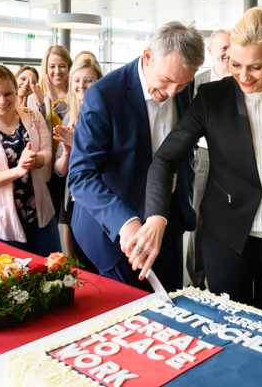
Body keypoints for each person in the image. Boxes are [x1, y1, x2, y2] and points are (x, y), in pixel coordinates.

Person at [132, 7, 262, 317]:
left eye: (256, 67)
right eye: (235, 64)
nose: (244, 77)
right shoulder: (211, 97)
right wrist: (156, 215)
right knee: (228, 322)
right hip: (225, 231)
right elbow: (166, 158)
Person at [67, 21, 203, 292]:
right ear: (148, 57)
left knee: (170, 312)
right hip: (116, 233)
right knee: (126, 323)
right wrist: (125, 223)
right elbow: (80, 176)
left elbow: (183, 149)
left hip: (168, 224)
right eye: (166, 80)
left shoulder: (182, 86)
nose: (173, 92)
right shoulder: (103, 95)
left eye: (182, 83)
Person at [0, 65, 59, 256]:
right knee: (13, 281)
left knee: (53, 274)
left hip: (39, 212)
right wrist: (18, 170)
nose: (2, 101)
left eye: (8, 94)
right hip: (1, 222)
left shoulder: (32, 115)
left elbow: (47, 153)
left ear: (16, 90)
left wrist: (34, 159)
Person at [187, 28, 231, 289]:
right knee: (198, 217)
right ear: (211, 51)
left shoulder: (242, 80)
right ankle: (196, 281)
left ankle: (224, 278)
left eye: (231, 47)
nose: (227, 52)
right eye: (222, 47)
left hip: (235, 159)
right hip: (203, 155)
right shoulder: (196, 82)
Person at [54, 58, 103, 273]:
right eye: (76, 80)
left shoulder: (106, 115)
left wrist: (77, 143)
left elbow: (107, 161)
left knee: (97, 261)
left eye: (88, 80)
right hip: (72, 198)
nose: (80, 86)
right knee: (76, 262)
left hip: (97, 199)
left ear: (100, 81)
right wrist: (67, 152)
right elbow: (60, 169)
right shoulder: (68, 118)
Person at [31, 45, 72, 226]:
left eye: (62, 66)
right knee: (50, 219)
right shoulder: (36, 95)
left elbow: (74, 122)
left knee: (71, 220)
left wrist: (56, 101)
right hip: (47, 168)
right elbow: (32, 129)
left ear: (69, 67)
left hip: (70, 164)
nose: (57, 71)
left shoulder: (76, 92)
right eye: (52, 66)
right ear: (45, 68)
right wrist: (40, 105)